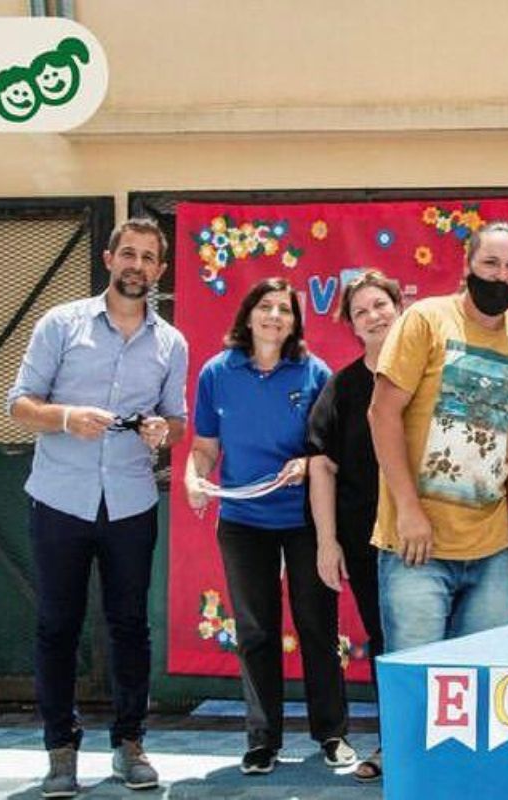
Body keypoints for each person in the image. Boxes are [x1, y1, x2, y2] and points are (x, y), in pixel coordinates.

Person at [7, 217, 187, 797]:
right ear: (109, 259)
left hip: (131, 502)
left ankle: (129, 745)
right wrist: (65, 417)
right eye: (127, 254)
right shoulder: (60, 325)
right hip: (60, 497)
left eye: (148, 258)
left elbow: (177, 421)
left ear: (160, 270)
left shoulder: (171, 343)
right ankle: (61, 751)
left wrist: (164, 430)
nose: (136, 265)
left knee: (130, 626)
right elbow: (18, 403)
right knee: (57, 626)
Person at [184, 277, 353, 775]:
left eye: (285, 309)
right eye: (266, 306)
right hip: (242, 521)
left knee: (317, 625)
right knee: (256, 630)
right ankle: (262, 739)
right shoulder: (217, 372)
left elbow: (327, 449)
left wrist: (304, 464)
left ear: (295, 321)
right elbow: (205, 447)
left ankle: (332, 734)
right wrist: (195, 477)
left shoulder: (313, 372)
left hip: (304, 519)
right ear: (249, 314)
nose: (275, 316)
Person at [368, 221, 508, 652]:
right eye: (490, 263)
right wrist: (407, 510)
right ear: (467, 265)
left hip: (494, 551)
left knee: (475, 685)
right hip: (417, 546)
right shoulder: (424, 319)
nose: (501, 276)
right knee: (416, 680)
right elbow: (382, 413)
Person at [306, 270, 401, 783]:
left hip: (441, 537)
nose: (373, 316)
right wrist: (327, 541)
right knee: (389, 642)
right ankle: (396, 746)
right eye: (361, 311)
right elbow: (321, 464)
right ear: (352, 325)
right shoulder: (341, 388)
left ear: (399, 306)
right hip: (369, 544)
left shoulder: (431, 373)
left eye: (380, 304)